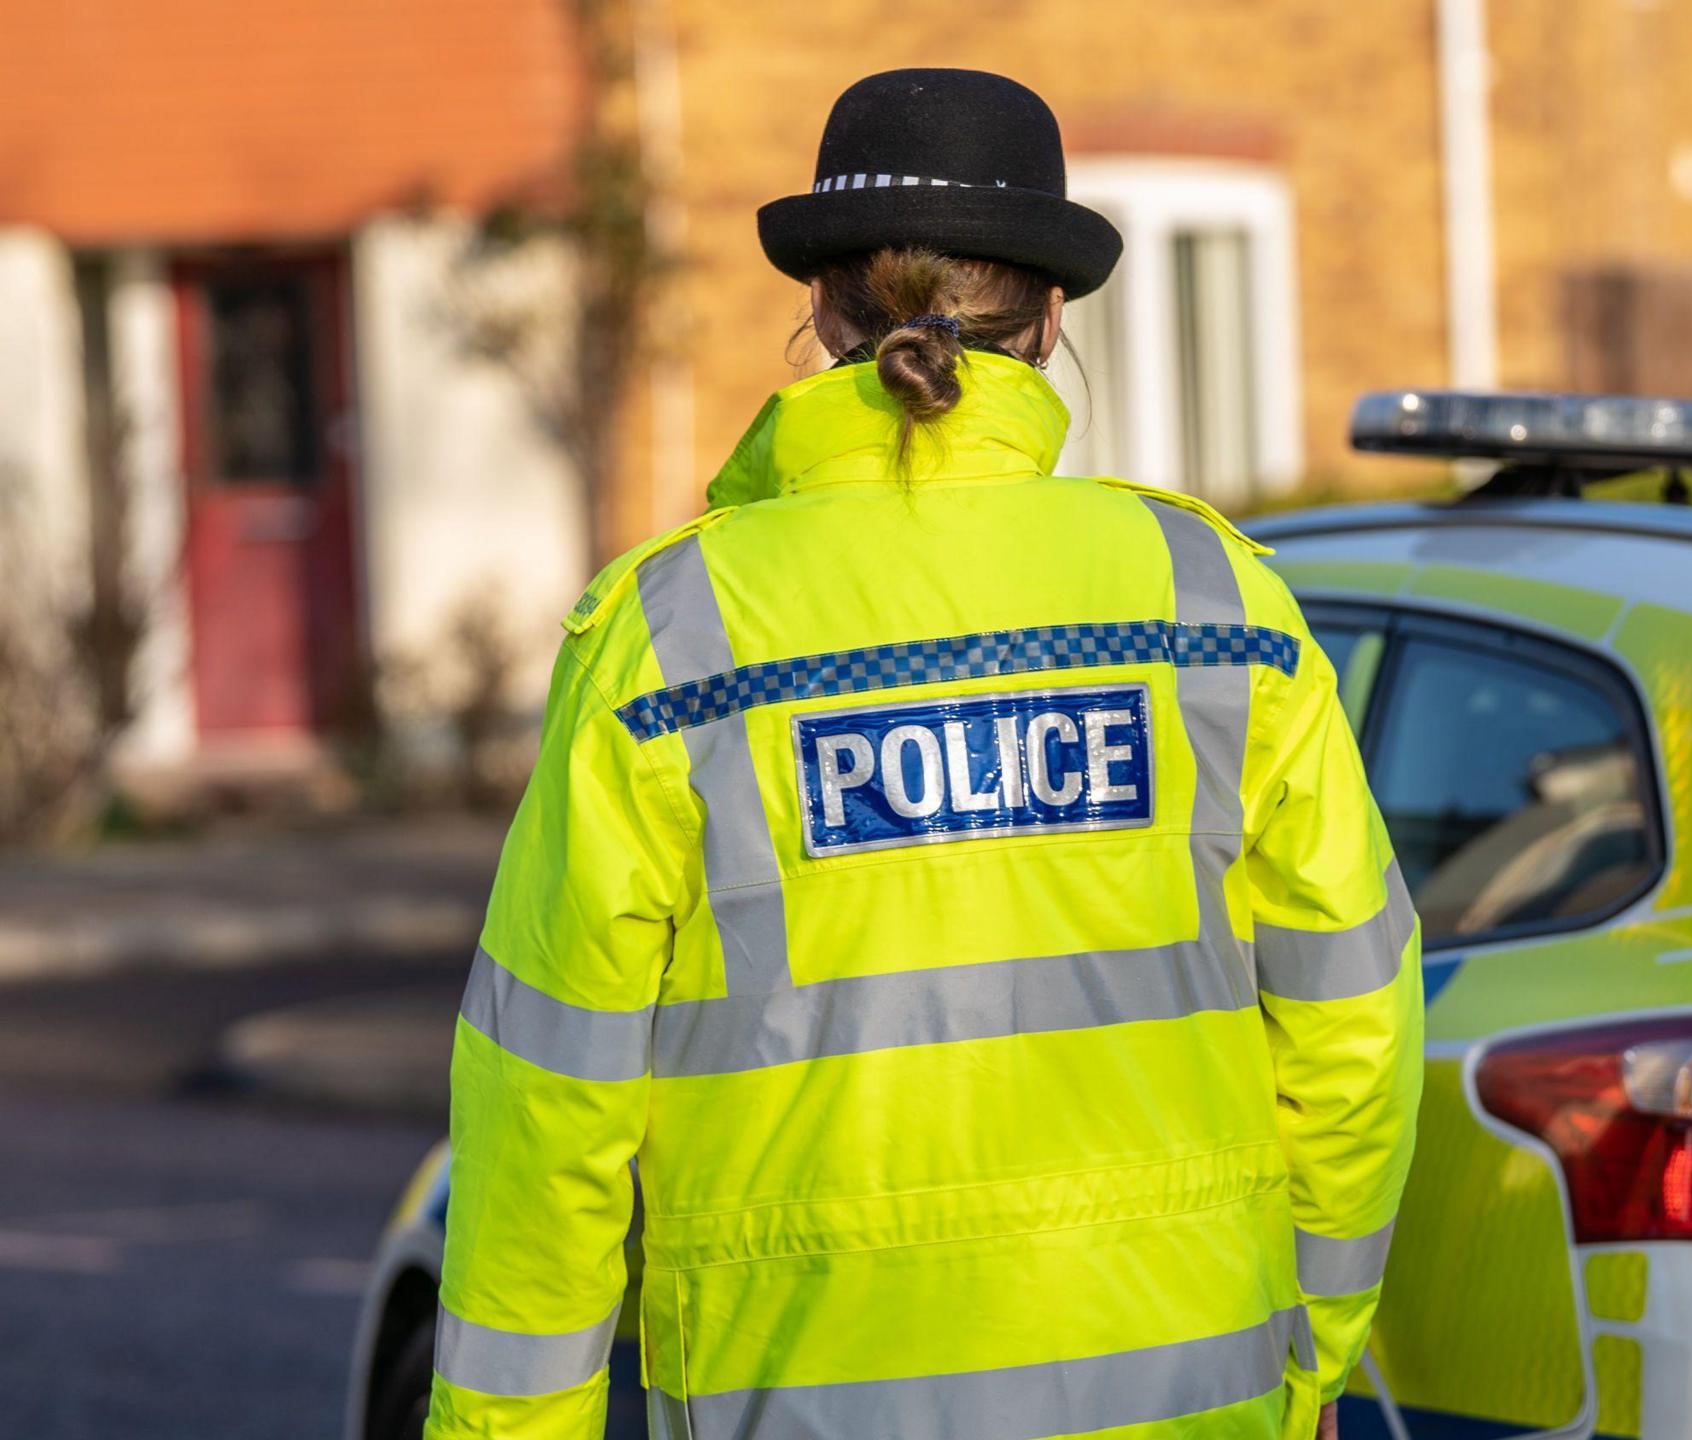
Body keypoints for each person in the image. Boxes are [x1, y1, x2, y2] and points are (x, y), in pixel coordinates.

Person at [426, 68, 1422, 1440]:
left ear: (823, 311)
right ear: (1054, 316)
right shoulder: (1213, 608)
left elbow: (548, 1106)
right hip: (1193, 1395)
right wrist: (1309, 1353)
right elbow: (1355, 1027)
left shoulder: (675, 637)